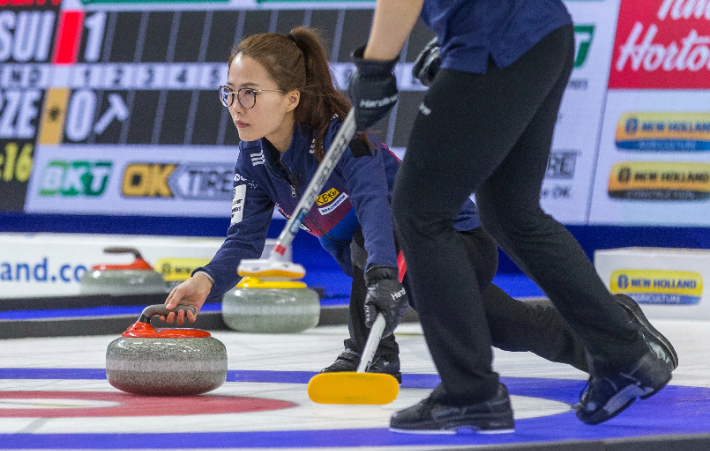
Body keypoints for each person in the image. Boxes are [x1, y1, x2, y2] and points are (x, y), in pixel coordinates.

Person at [159, 25, 621, 381]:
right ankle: (616, 334)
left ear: (291, 98)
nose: (236, 106)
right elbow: (242, 237)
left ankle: (371, 352)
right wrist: (204, 282)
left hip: (450, 244)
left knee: (370, 228)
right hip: (393, 266)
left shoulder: (342, 135)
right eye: (229, 93)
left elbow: (375, 205)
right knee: (512, 329)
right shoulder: (255, 156)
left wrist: (380, 277)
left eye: (249, 93)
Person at [347, 0, 677, 434]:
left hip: (493, 42)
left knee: (420, 211)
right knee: (511, 211)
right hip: (543, 32)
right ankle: (626, 355)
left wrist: (375, 70)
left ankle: (470, 393)